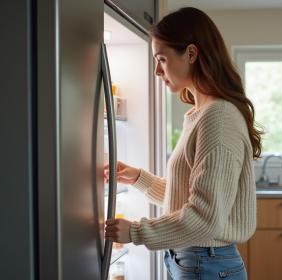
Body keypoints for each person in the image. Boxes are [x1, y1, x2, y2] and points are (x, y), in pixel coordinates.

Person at [104, 7, 263, 280]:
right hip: (197, 261)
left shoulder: (219, 117)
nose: (157, 70)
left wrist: (135, 231)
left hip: (207, 264)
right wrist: (139, 178)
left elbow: (205, 218)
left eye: (161, 59)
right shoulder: (199, 114)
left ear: (191, 54)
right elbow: (190, 197)